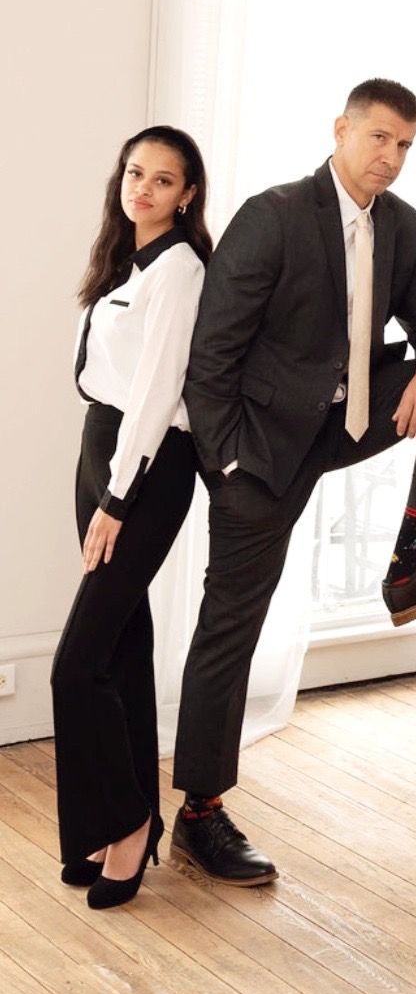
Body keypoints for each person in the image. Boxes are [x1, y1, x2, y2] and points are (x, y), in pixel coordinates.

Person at [172, 78, 416, 885]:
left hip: (346, 418)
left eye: (405, 145)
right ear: (342, 130)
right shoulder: (275, 214)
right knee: (232, 623)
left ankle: (410, 563)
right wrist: (226, 463)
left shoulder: (403, 225)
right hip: (260, 447)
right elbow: (211, 353)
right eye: (379, 138)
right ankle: (201, 811)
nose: (391, 157)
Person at [52, 126, 212, 909]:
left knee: (75, 663)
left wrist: (118, 497)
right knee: (119, 645)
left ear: (187, 194)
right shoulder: (126, 258)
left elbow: (156, 391)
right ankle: (117, 820)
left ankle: (126, 821)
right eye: (134, 173)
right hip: (100, 445)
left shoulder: (179, 268)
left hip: (143, 463)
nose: (142, 189)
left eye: (162, 179)